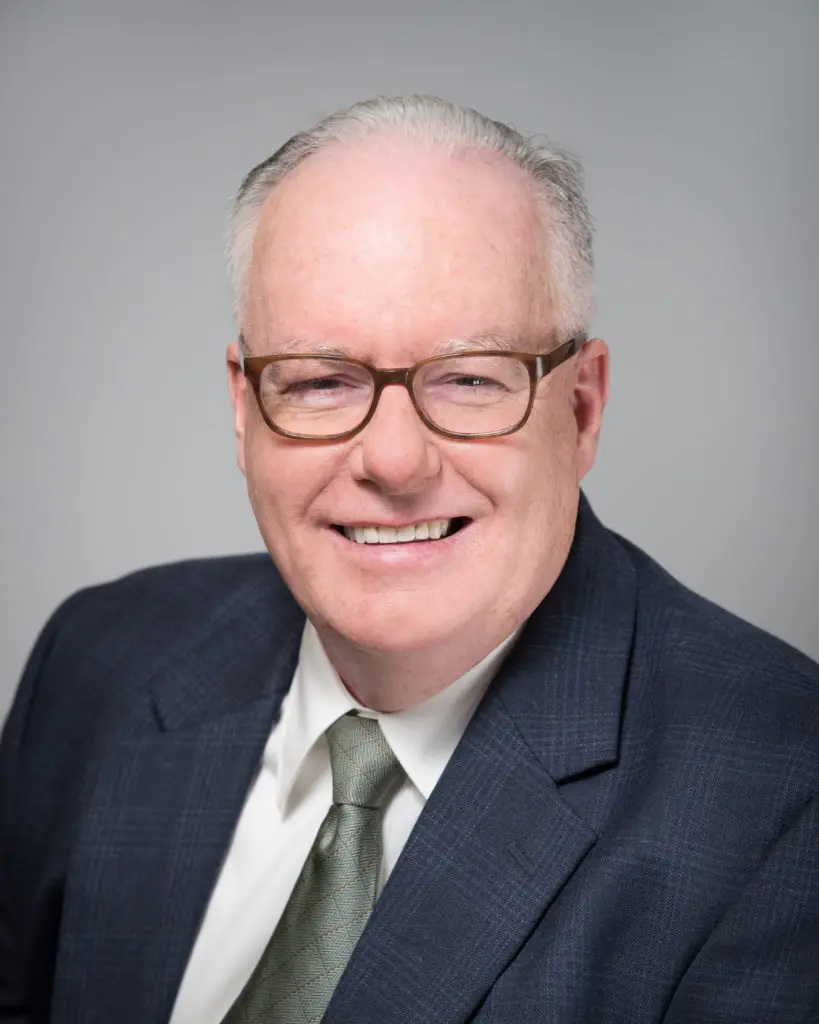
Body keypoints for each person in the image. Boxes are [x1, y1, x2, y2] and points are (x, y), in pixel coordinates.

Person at [1, 95, 817, 1024]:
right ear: (243, 409)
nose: (393, 461)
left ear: (581, 408)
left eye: (469, 379)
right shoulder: (96, 663)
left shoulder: (783, 796)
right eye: (320, 381)